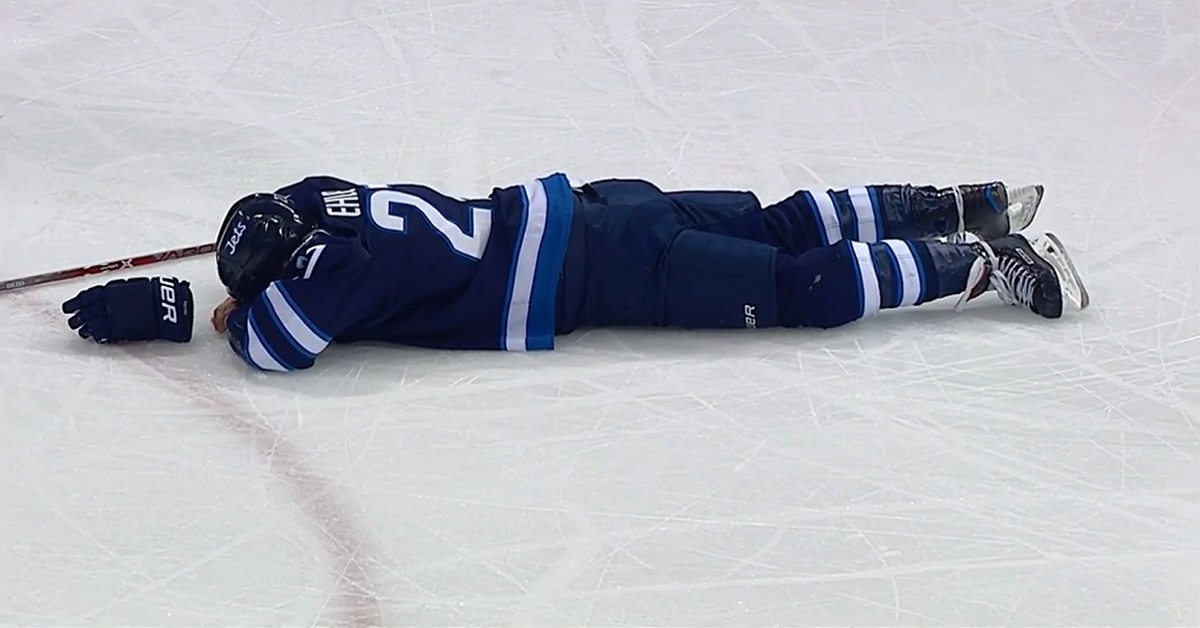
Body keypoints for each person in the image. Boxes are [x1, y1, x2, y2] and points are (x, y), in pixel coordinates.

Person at [60, 174, 1089, 371]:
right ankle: (953, 201)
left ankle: (979, 263)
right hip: (601, 201)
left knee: (796, 290)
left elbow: (280, 343)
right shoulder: (323, 196)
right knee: (778, 222)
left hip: (602, 271)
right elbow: (294, 228)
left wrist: (208, 311)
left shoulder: (329, 266)